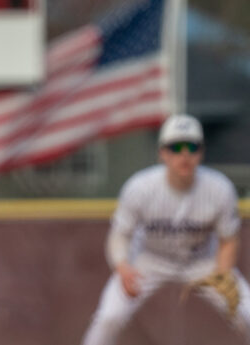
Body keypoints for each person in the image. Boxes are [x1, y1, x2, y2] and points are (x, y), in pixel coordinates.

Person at [82, 114, 250, 344]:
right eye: (176, 147)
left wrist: (223, 272)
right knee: (109, 317)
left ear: (201, 152)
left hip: (203, 259)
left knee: (247, 313)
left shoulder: (219, 189)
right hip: (149, 259)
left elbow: (228, 239)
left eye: (192, 147)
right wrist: (122, 266)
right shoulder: (140, 187)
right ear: (162, 152)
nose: (184, 155)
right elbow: (120, 235)